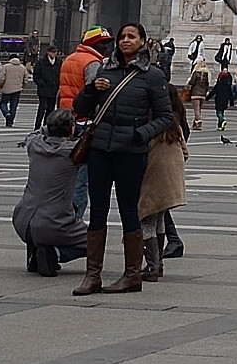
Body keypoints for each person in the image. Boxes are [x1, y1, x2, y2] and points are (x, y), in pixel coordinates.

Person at [71, 22, 174, 297]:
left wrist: (140, 135)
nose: (125, 41)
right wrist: (92, 89)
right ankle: (92, 275)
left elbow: (166, 116)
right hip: (101, 150)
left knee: (129, 211)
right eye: (122, 37)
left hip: (130, 152)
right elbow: (80, 109)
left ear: (142, 41)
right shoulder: (104, 70)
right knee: (98, 211)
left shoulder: (152, 76)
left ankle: (132, 275)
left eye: (132, 36)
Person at [12, 108, 89, 276]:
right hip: (55, 223)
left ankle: (35, 255)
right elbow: (90, 143)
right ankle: (54, 253)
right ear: (71, 129)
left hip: (22, 219)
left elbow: (36, 132)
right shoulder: (73, 152)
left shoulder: (34, 144)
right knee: (96, 241)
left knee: (39, 228)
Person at [137, 80, 191, 280]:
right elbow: (185, 152)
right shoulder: (174, 122)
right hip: (170, 176)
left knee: (146, 218)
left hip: (152, 173)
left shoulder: (150, 122)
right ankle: (157, 264)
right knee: (158, 217)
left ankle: (152, 266)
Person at [56, 27, 109, 113]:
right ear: (92, 43)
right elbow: (91, 94)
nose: (106, 46)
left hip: (65, 112)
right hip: (82, 114)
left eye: (107, 43)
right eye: (102, 42)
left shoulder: (68, 59)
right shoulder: (93, 62)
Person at [0, 51, 28, 129]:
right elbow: (25, 79)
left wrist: (0, 85)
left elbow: (1, 78)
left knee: (3, 103)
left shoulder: (6, 67)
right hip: (17, 89)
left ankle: (7, 114)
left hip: (6, 88)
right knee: (14, 105)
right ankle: (10, 121)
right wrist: (22, 85)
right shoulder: (22, 67)